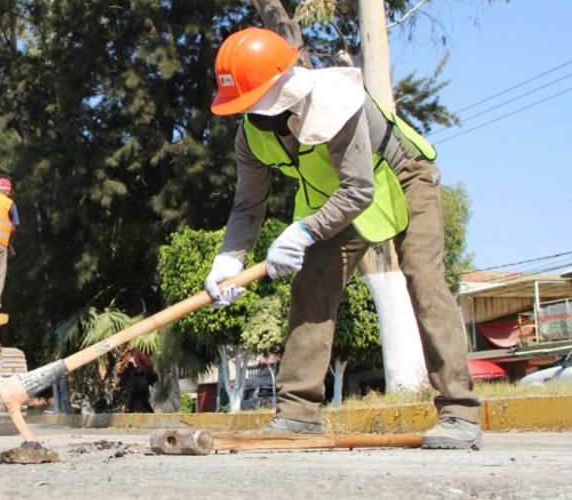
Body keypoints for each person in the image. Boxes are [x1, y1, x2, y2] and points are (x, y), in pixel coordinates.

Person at [202, 27, 482, 449]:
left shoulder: (336, 105)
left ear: (283, 82)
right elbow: (247, 207)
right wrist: (229, 261)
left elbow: (360, 190)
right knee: (312, 283)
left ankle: (460, 412)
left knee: (423, 279)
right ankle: (298, 412)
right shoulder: (251, 134)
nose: (250, 112)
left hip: (402, 179)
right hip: (337, 199)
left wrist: (303, 230)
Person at [0, 177, 19, 311]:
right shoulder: (9, 203)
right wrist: (9, 244)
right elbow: (14, 226)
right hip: (0, 244)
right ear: (7, 191)